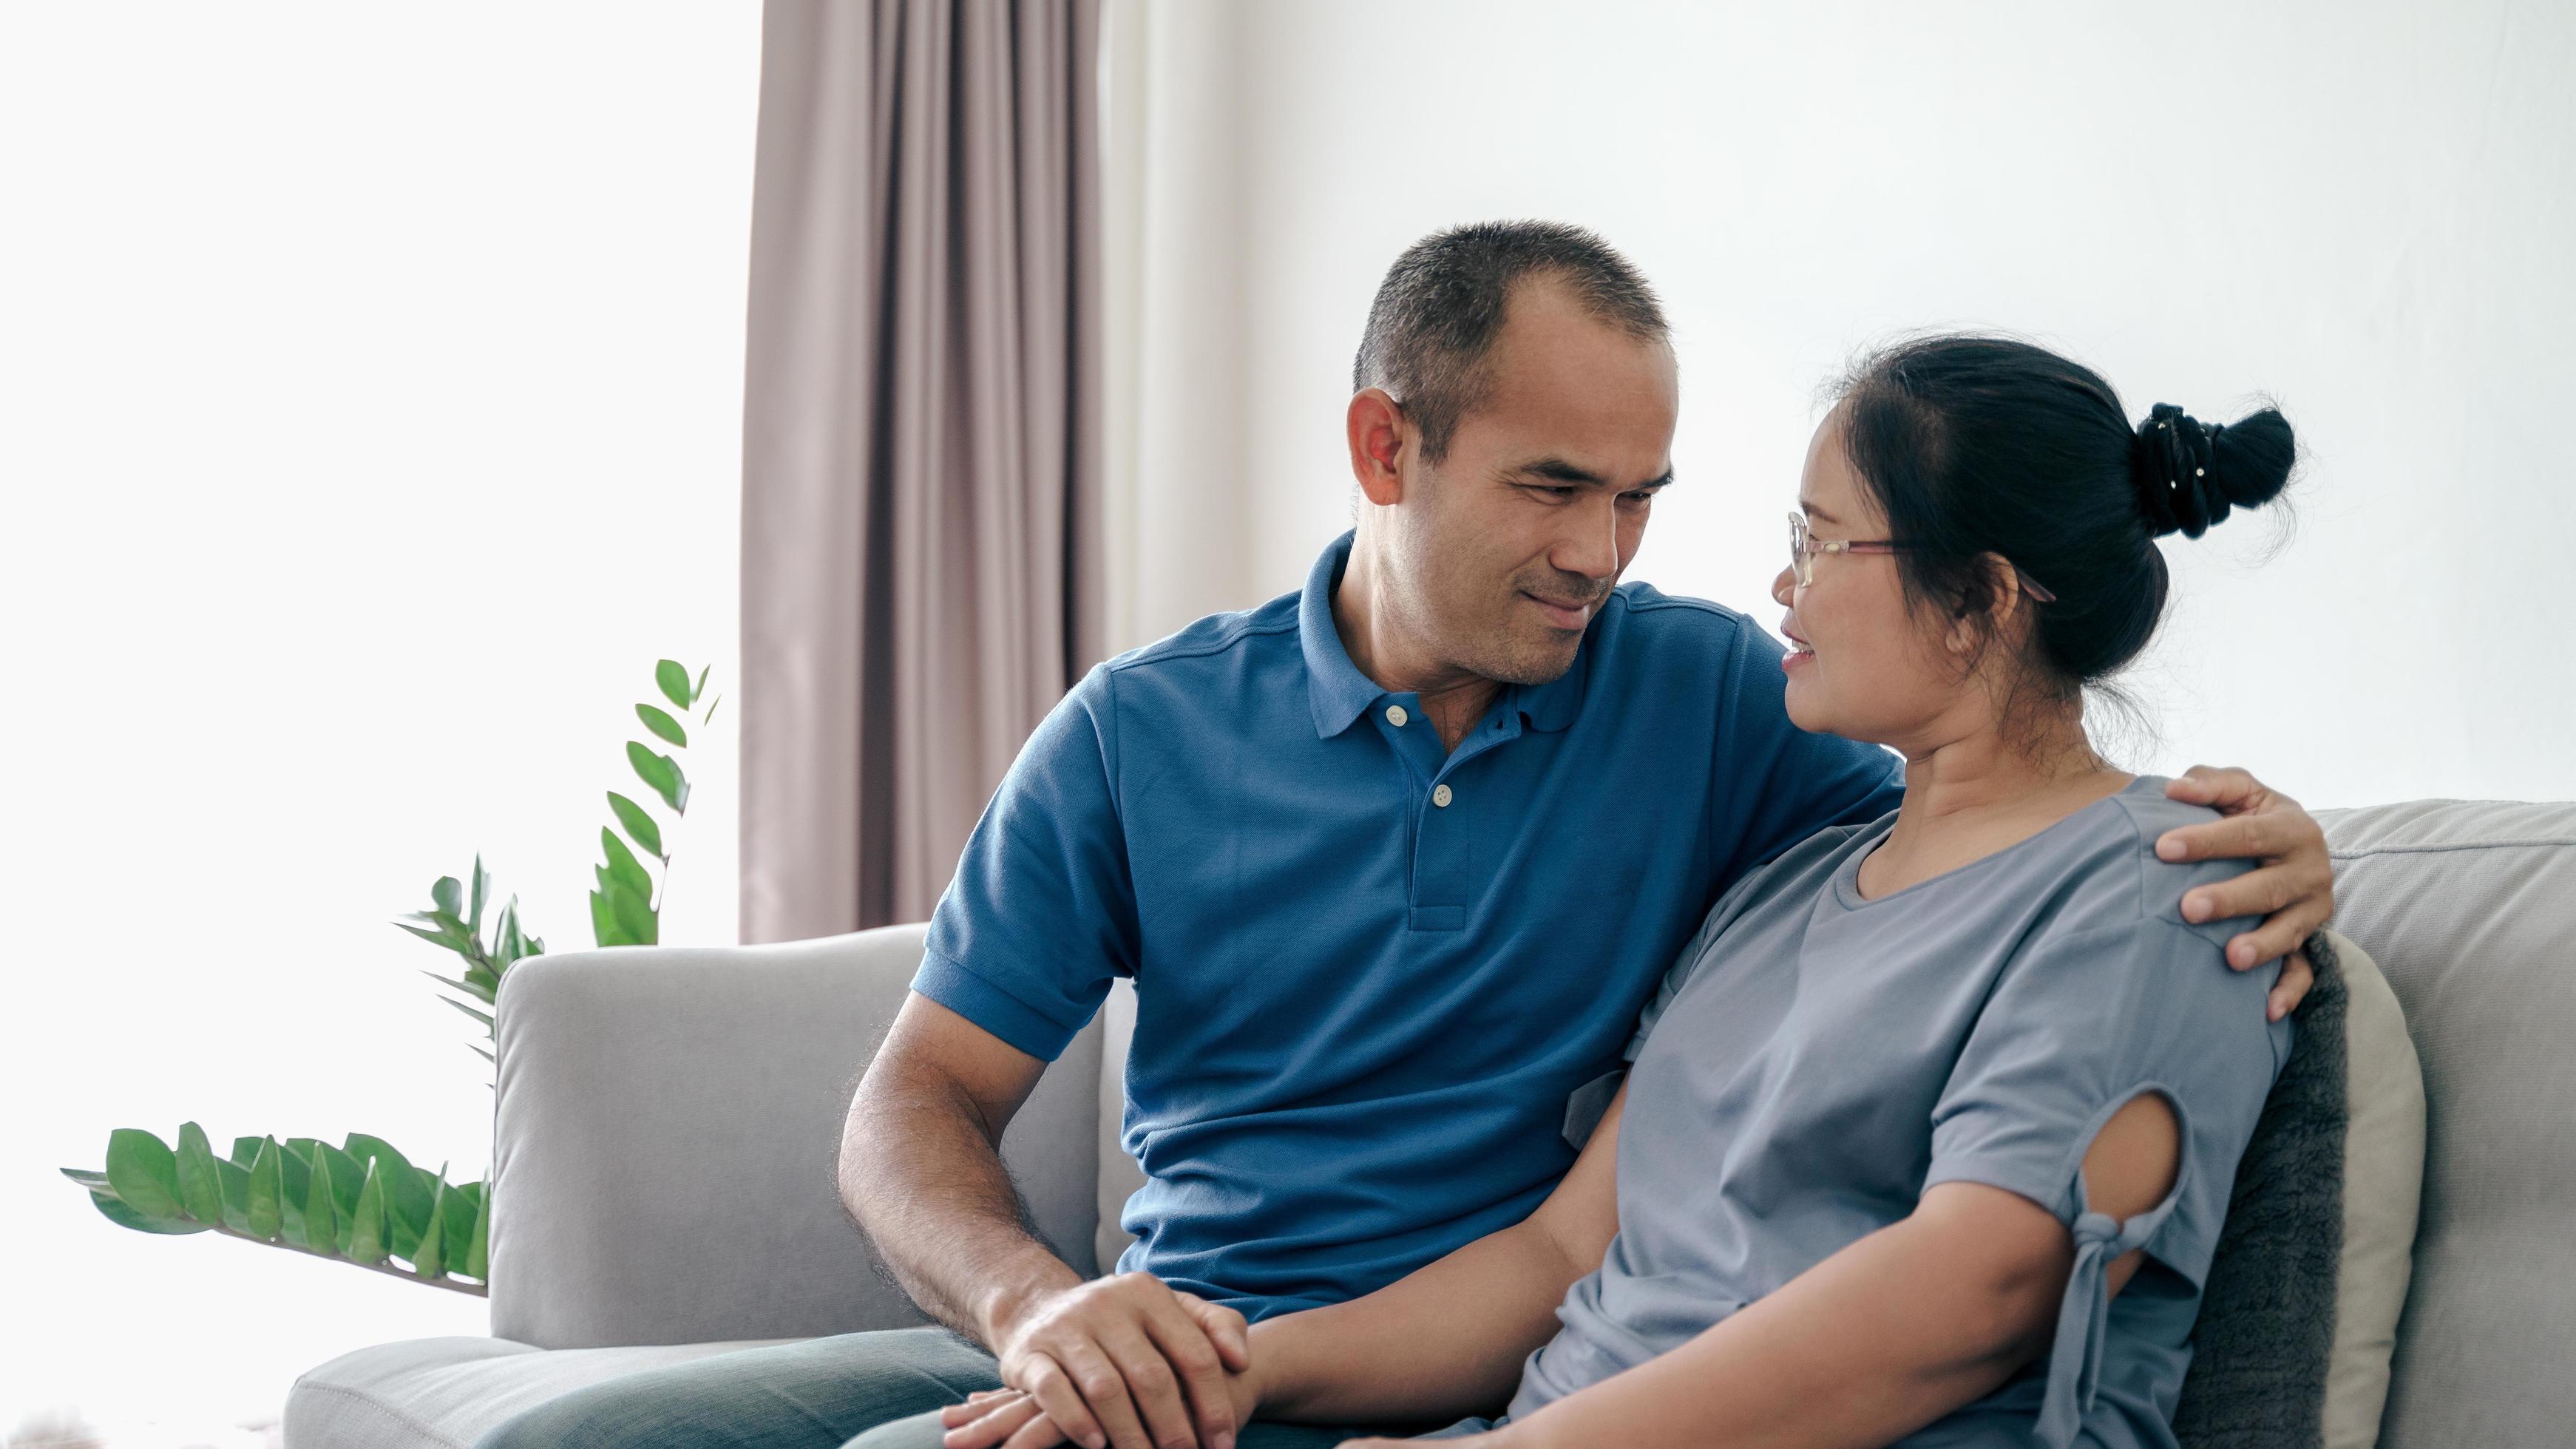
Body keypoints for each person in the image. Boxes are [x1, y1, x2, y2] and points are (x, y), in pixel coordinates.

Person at [478, 228, 2332, 1449]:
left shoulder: (1719, 712)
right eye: (1550, 486)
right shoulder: (1141, 729)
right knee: (582, 1434)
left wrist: (2281, 850)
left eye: (1639, 497)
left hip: (1453, 1380)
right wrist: (1045, 1308)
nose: (1606, 553)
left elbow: (2012, 839)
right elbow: (912, 1103)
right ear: (1386, 448)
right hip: (1188, 1337)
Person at [914, 336, 2305, 1449]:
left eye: (1822, 540)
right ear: (1386, 448)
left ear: (1986, 600)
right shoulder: (1787, 884)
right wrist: (1228, 1368)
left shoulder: (2168, 890)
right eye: (1553, 487)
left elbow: (1982, 1288)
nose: (1777, 582)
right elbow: (1558, 1255)